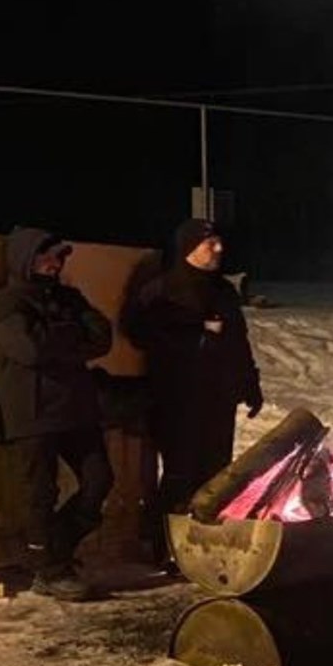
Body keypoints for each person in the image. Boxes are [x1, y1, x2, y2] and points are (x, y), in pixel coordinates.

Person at [124, 219, 263, 564]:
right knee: (179, 472)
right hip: (176, 396)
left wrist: (249, 383)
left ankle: (204, 544)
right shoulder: (162, 289)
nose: (218, 249)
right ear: (189, 248)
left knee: (216, 473)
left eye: (218, 242)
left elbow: (237, 342)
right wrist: (193, 332)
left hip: (218, 397)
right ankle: (164, 545)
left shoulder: (223, 291)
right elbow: (137, 332)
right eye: (209, 243)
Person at [0, 226, 114, 601]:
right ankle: (48, 570)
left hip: (77, 408)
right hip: (33, 411)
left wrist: (57, 335)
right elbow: (30, 349)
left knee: (99, 479)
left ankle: (55, 549)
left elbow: (102, 337)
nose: (54, 264)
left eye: (58, 257)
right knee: (40, 493)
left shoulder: (70, 298)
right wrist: (72, 338)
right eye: (46, 256)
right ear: (26, 259)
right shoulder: (6, 305)